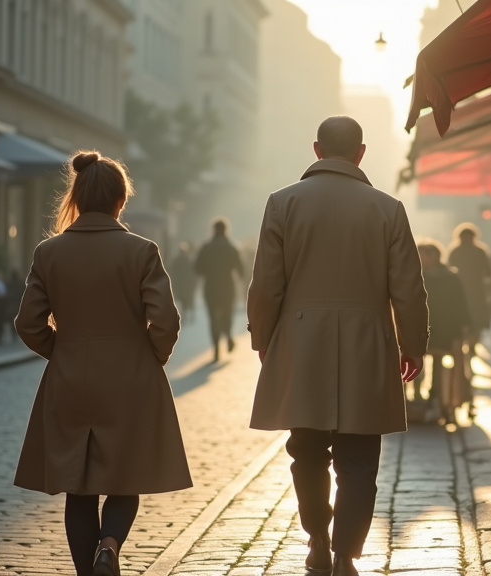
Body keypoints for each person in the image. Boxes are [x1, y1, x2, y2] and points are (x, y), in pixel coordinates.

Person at [247, 116, 428, 576]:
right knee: (360, 454)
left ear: (316, 149)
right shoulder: (387, 208)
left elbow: (266, 284)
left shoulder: (282, 203)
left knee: (306, 448)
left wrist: (263, 337)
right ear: (361, 153)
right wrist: (413, 344)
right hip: (368, 343)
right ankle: (346, 551)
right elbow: (408, 287)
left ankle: (317, 538)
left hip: (302, 342)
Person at [13, 150, 192, 576]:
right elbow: (165, 319)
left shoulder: (48, 252)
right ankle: (109, 546)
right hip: (130, 376)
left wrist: (61, 350)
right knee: (125, 476)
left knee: (79, 486)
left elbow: (27, 323)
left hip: (70, 376)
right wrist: (152, 357)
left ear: (77, 196)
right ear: (120, 201)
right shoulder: (142, 250)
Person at [416, 239, 473, 426]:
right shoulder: (415, 275)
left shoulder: (450, 276)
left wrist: (465, 326)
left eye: (424, 254)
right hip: (421, 327)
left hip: (445, 328)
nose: (421, 258)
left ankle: (442, 402)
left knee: (444, 367)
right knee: (416, 365)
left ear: (434, 256)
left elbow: (460, 304)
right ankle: (417, 402)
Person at [194, 218, 244, 362]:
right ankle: (228, 335)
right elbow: (240, 270)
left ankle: (216, 347)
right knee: (227, 314)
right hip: (228, 286)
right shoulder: (232, 247)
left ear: (213, 230)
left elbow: (197, 269)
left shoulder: (206, 247)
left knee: (213, 318)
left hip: (211, 287)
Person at [446, 223, 491, 353]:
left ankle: (471, 343)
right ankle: (468, 342)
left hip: (475, 291)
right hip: (462, 291)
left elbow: (488, 271)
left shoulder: (478, 251)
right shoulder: (460, 251)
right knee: (469, 319)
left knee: (475, 320)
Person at [169, 242, 198, 325]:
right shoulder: (189, 260)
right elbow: (193, 273)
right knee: (188, 299)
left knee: (182, 300)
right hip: (187, 284)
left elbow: (172, 272)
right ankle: (190, 315)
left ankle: (184, 315)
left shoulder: (176, 260)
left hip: (180, 284)